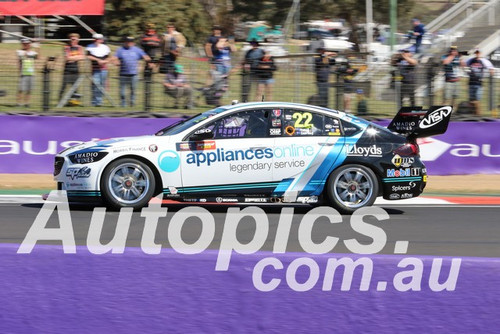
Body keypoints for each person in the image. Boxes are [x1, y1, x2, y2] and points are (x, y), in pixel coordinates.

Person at [114, 36, 151, 107]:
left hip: (134, 74)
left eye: (131, 42)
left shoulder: (137, 50)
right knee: (122, 92)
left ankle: (132, 105)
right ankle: (123, 105)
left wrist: (149, 62)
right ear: (125, 42)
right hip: (123, 74)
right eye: (128, 42)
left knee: (133, 90)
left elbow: (146, 57)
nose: (129, 43)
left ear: (133, 42)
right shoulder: (120, 50)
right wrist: (115, 61)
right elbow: (114, 58)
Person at [466, 49, 495, 115]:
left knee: (477, 100)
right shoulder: (470, 60)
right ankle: (472, 115)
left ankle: (478, 115)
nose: (477, 54)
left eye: (478, 53)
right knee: (471, 100)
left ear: (480, 53)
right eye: (476, 53)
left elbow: (491, 69)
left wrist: (489, 75)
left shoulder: (484, 61)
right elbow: (464, 65)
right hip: (471, 82)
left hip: (479, 83)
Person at [86, 33, 111, 107]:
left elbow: (109, 57)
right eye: (95, 39)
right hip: (95, 69)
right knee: (95, 85)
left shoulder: (105, 47)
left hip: (104, 70)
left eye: (98, 39)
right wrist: (97, 60)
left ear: (101, 40)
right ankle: (94, 102)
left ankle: (99, 101)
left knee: (102, 86)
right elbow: (88, 56)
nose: (96, 40)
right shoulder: (89, 47)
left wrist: (104, 62)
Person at [58, 33, 85, 103]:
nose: (72, 41)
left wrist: (72, 58)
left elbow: (82, 57)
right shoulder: (66, 47)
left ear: (77, 40)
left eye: (74, 39)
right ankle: (60, 101)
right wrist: (77, 57)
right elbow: (67, 58)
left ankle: (75, 101)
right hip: (67, 69)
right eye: (71, 39)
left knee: (75, 86)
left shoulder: (79, 47)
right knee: (64, 86)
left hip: (76, 69)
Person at [16, 38, 39, 107]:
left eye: (27, 44)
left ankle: (27, 103)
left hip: (31, 73)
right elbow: (25, 55)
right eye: (24, 44)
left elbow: (38, 56)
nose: (26, 45)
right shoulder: (19, 51)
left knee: (29, 89)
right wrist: (32, 43)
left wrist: (37, 46)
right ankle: (19, 103)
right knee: (21, 89)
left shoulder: (32, 52)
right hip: (23, 73)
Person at [314, 44, 336, 108]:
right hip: (320, 80)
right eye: (322, 50)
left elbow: (333, 62)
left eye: (324, 50)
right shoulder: (318, 58)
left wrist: (332, 56)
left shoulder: (326, 58)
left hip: (326, 80)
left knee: (326, 96)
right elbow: (322, 62)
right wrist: (326, 56)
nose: (323, 52)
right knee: (321, 95)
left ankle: (325, 107)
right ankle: (321, 108)